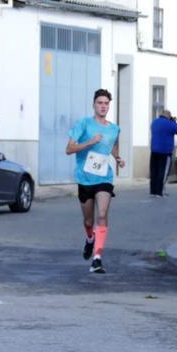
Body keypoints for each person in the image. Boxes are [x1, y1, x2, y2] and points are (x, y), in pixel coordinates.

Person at [65, 89, 125, 274]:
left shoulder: (114, 129)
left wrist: (117, 158)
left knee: (102, 214)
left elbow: (112, 145)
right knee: (89, 220)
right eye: (100, 103)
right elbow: (69, 149)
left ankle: (97, 258)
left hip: (104, 178)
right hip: (85, 178)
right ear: (94, 104)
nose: (103, 106)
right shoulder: (84, 124)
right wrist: (89, 142)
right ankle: (90, 239)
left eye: (106, 103)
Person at [149, 109, 177, 197]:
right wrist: (174, 122)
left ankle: (153, 191)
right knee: (162, 172)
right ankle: (160, 192)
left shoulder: (154, 122)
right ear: (168, 115)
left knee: (154, 171)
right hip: (165, 152)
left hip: (154, 150)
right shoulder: (170, 124)